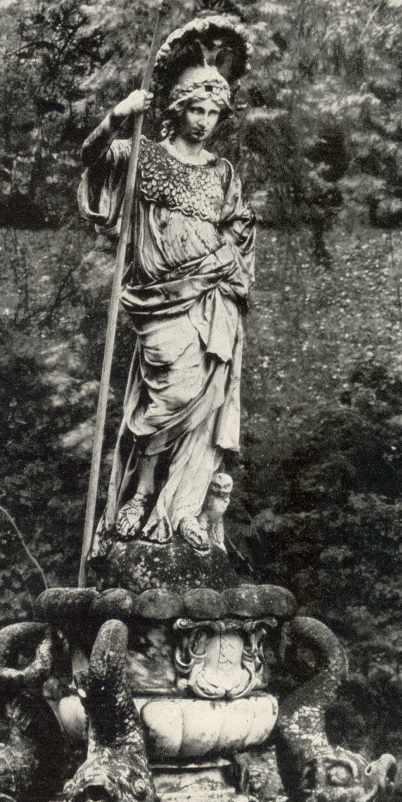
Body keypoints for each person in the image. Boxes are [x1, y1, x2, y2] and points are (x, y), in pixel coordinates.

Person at [78, 57, 255, 555]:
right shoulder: (144, 155)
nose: (203, 121)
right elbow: (89, 159)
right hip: (159, 299)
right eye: (195, 109)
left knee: (205, 405)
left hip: (214, 295)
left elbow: (239, 229)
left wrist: (231, 264)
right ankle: (140, 493)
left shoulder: (222, 172)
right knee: (170, 397)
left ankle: (184, 507)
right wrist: (118, 114)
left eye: (213, 113)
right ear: (177, 110)